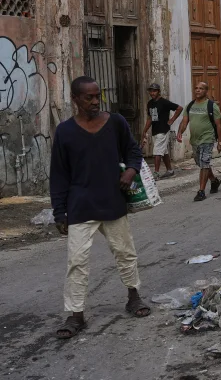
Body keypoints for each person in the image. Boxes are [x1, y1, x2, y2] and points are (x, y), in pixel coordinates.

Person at [50, 76, 150, 339]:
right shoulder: (65, 131)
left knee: (125, 253)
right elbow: (59, 175)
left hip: (113, 203)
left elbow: (133, 152)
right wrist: (59, 212)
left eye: (98, 96)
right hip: (80, 206)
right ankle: (76, 315)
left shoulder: (115, 122)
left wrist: (130, 171)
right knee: (77, 261)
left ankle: (133, 296)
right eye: (89, 97)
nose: (95, 101)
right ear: (75, 99)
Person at [176, 81, 221, 202]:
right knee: (201, 163)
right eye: (196, 88)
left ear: (206, 91)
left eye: (201, 88)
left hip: (207, 139)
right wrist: (180, 131)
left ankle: (201, 191)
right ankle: (214, 180)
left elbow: (219, 125)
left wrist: (220, 142)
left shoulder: (212, 106)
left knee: (204, 163)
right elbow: (185, 121)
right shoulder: (190, 105)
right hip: (195, 141)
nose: (198, 90)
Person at [141, 83, 182, 179]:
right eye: (151, 91)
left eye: (154, 91)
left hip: (163, 129)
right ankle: (170, 170)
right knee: (163, 151)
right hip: (155, 130)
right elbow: (150, 118)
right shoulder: (150, 103)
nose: (152, 93)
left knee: (157, 151)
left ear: (158, 92)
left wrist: (172, 120)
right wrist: (145, 130)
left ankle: (156, 173)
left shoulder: (164, 102)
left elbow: (179, 108)